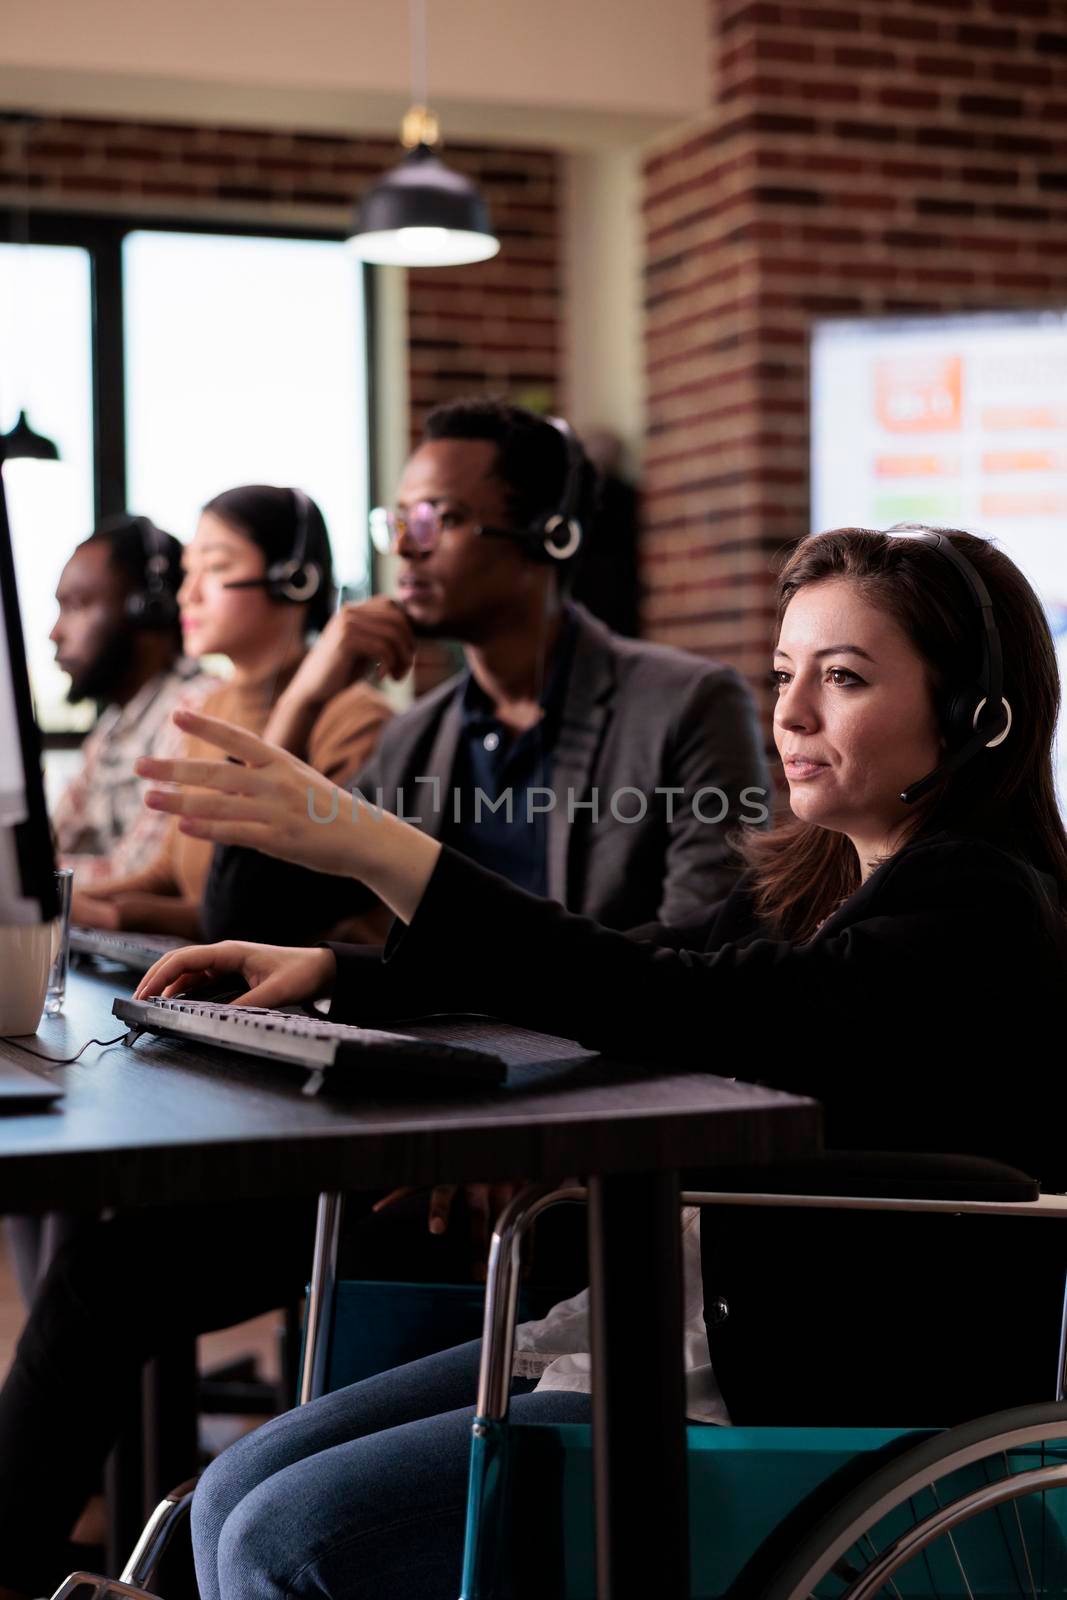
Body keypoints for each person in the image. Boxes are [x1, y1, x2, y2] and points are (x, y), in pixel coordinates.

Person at [132, 524, 1065, 1600]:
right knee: (229, 1491)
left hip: (797, 1378)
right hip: (689, 1326)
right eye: (782, 674)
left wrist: (370, 844)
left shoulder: (978, 906)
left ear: (971, 718)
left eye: (842, 678)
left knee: (284, 1539)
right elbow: (622, 966)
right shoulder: (810, 885)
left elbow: (664, 1005)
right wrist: (345, 975)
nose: (792, 712)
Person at [202, 398, 770, 946]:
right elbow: (244, 920)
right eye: (401, 521)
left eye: (441, 519)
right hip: (440, 1045)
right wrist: (303, 699)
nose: (405, 548)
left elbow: (699, 957)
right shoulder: (415, 738)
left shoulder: (689, 704)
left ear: (550, 536)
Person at [69, 485, 392, 939]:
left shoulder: (356, 723)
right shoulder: (211, 709)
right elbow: (170, 873)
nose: (188, 594)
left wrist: (117, 916)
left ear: (294, 579)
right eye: (187, 571)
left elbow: (284, 915)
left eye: (217, 567)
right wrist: (65, 902)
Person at [49, 514, 217, 886]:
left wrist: (30, 877)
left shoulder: (193, 712)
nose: (55, 633)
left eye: (76, 605)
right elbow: (50, 841)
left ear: (148, 607)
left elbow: (142, 873)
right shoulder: (115, 725)